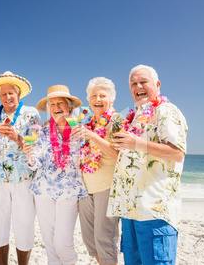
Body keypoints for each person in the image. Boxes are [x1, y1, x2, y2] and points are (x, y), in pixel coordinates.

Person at [108, 65, 188, 265]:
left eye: (143, 81)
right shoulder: (132, 117)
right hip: (130, 210)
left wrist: (136, 143)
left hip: (154, 210)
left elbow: (177, 153)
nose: (138, 86)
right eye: (133, 83)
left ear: (157, 85)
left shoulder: (166, 111)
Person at [23, 85, 88, 265]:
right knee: (50, 243)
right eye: (52, 104)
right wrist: (29, 155)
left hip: (69, 191)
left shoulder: (80, 131)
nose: (56, 107)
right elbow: (36, 160)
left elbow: (89, 157)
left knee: (62, 243)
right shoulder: (43, 133)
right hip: (43, 191)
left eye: (60, 103)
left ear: (69, 107)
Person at [0, 71, 42, 265]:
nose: (8, 97)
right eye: (4, 94)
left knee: (24, 226)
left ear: (18, 94)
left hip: (24, 178)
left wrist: (16, 138)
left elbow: (35, 145)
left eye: (11, 93)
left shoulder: (32, 114)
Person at [72, 77, 120, 265]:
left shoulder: (116, 121)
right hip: (86, 188)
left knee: (104, 239)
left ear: (111, 99)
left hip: (106, 187)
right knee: (89, 240)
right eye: (94, 96)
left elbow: (118, 154)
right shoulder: (88, 122)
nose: (98, 99)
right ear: (89, 100)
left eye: (102, 95)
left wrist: (93, 136)